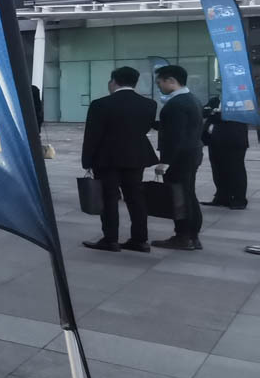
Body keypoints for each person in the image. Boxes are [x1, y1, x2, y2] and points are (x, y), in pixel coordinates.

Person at [80, 66, 158, 252]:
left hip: (107, 158)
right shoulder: (149, 104)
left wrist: (87, 160)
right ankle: (140, 239)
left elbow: (92, 135)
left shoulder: (101, 104)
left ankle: (111, 239)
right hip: (136, 156)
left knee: (109, 198)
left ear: (113, 81)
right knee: (135, 197)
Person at [152, 64, 203, 250]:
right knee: (188, 195)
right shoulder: (192, 99)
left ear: (171, 81)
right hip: (191, 153)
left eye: (160, 82)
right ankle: (192, 236)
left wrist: (165, 162)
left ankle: (183, 236)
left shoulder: (177, 104)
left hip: (179, 158)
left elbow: (176, 136)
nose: (159, 86)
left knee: (180, 196)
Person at [203, 94, 251, 210]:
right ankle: (221, 197)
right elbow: (204, 112)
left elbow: (246, 114)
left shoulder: (243, 99)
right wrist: (214, 113)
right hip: (214, 140)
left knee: (236, 170)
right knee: (218, 169)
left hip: (234, 141)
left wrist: (217, 114)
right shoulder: (214, 100)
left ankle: (239, 199)